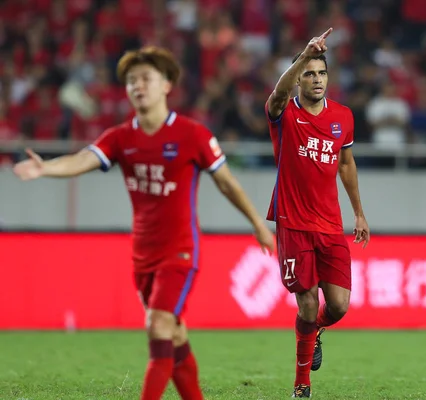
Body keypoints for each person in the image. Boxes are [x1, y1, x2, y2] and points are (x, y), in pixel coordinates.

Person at [13, 46, 274, 400]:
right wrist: (46, 167)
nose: (138, 86)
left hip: (180, 250)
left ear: (166, 85)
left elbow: (226, 181)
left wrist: (257, 223)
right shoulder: (121, 137)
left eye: (146, 79)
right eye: (131, 81)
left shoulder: (192, 135)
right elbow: (81, 160)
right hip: (142, 254)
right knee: (174, 333)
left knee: (158, 324)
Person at [265, 28, 370, 398]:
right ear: (298, 79)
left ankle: (317, 331)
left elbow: (345, 164)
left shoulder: (342, 117)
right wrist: (302, 55)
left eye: (321, 73)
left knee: (338, 306)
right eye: (309, 73)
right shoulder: (285, 113)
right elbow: (278, 93)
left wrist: (358, 212)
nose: (317, 79)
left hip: (330, 225)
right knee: (307, 301)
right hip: (293, 222)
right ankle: (301, 384)